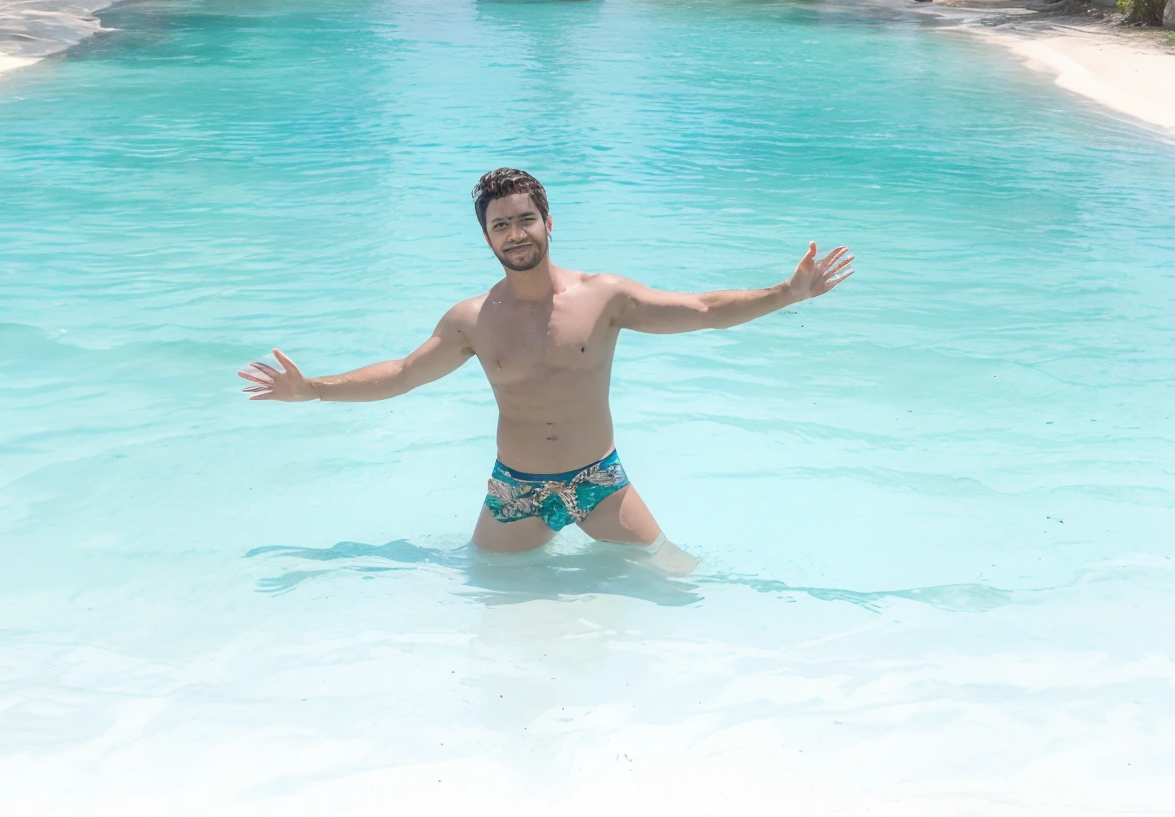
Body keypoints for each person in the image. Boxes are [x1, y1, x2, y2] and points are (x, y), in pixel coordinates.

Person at [239, 167, 853, 571]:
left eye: (524, 219)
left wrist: (786, 293)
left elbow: (700, 311)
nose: (515, 234)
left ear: (548, 222)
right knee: (491, 607)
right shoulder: (472, 319)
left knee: (678, 580)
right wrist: (313, 390)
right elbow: (402, 374)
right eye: (500, 225)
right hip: (516, 491)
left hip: (599, 482)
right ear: (486, 237)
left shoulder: (603, 296)